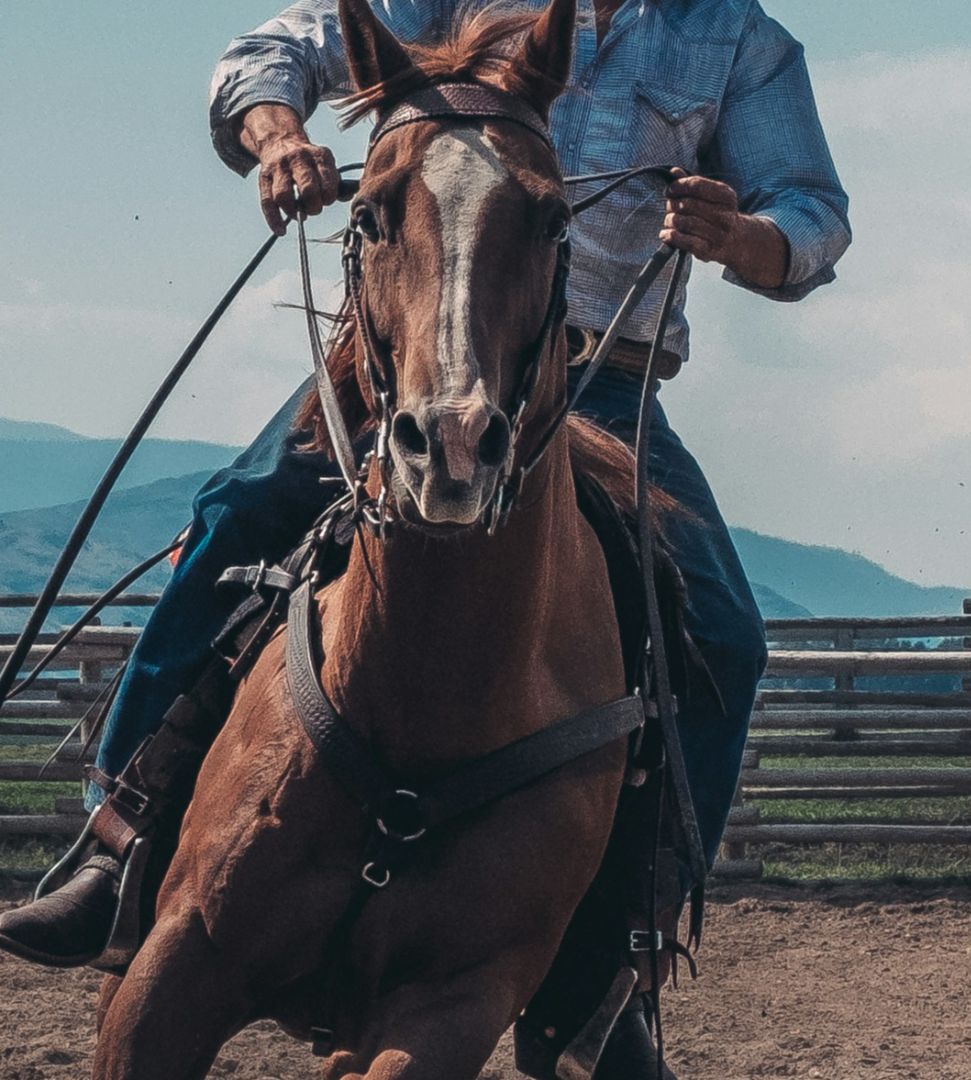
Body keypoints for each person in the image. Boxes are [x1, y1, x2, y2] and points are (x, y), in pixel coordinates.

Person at [0, 1, 848, 1076]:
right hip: (394, 356)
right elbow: (269, 54)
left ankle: (608, 968)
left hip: (598, 380)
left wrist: (746, 238)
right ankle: (119, 846)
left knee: (722, 636)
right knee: (237, 513)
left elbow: (812, 213)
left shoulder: (733, 37)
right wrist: (282, 136)